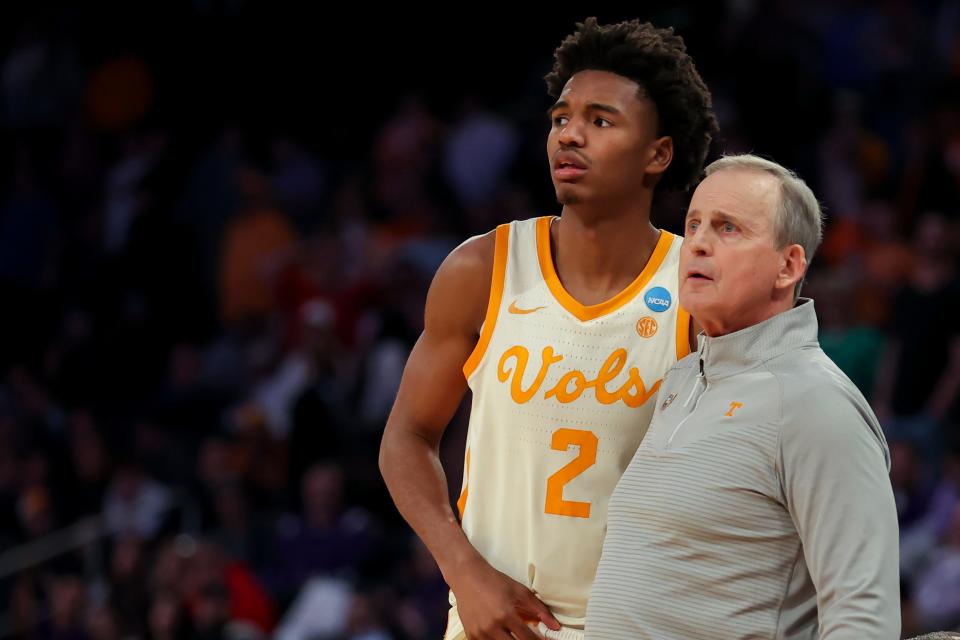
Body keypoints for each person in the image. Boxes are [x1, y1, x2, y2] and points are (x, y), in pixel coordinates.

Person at [378, 16, 718, 640]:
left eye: (600, 120)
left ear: (658, 154)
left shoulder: (700, 290)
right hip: (493, 622)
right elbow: (406, 437)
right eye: (561, 119)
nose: (570, 135)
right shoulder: (482, 269)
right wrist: (463, 572)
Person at [586, 154, 900, 639]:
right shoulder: (682, 379)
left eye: (728, 228)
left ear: (788, 266)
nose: (698, 245)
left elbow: (862, 615)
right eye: (692, 226)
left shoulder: (817, 403)